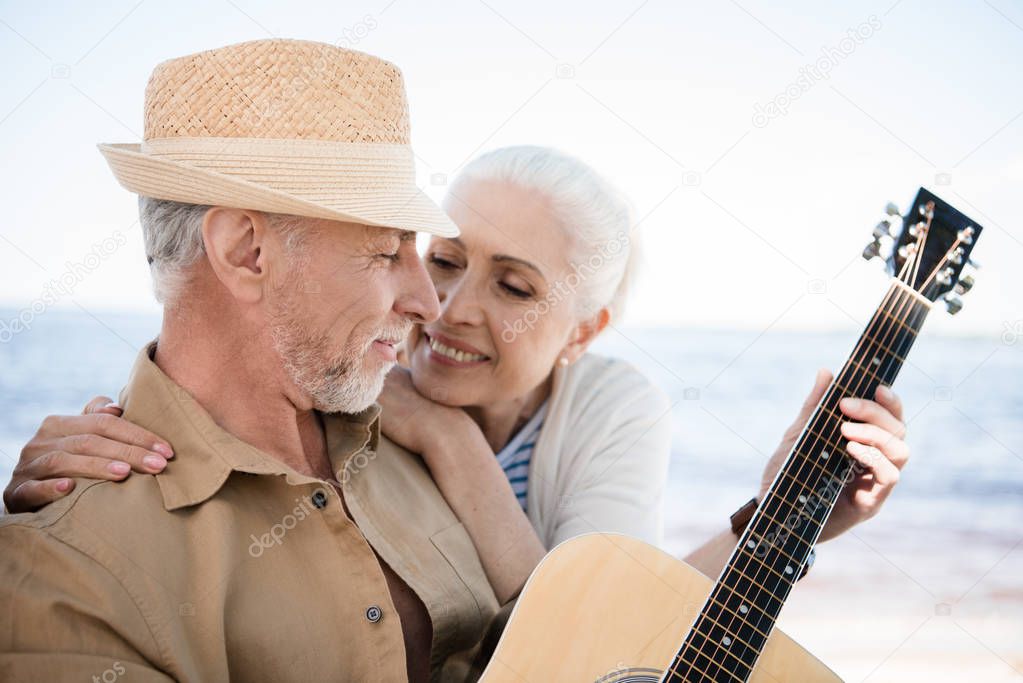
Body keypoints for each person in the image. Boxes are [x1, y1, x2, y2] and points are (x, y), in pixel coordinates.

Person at [2, 43, 909, 683]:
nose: (433, 306)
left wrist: (789, 516)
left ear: (581, 329)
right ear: (246, 252)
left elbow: (599, 624)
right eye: (394, 251)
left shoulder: (413, 426)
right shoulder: (74, 568)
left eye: (511, 285)